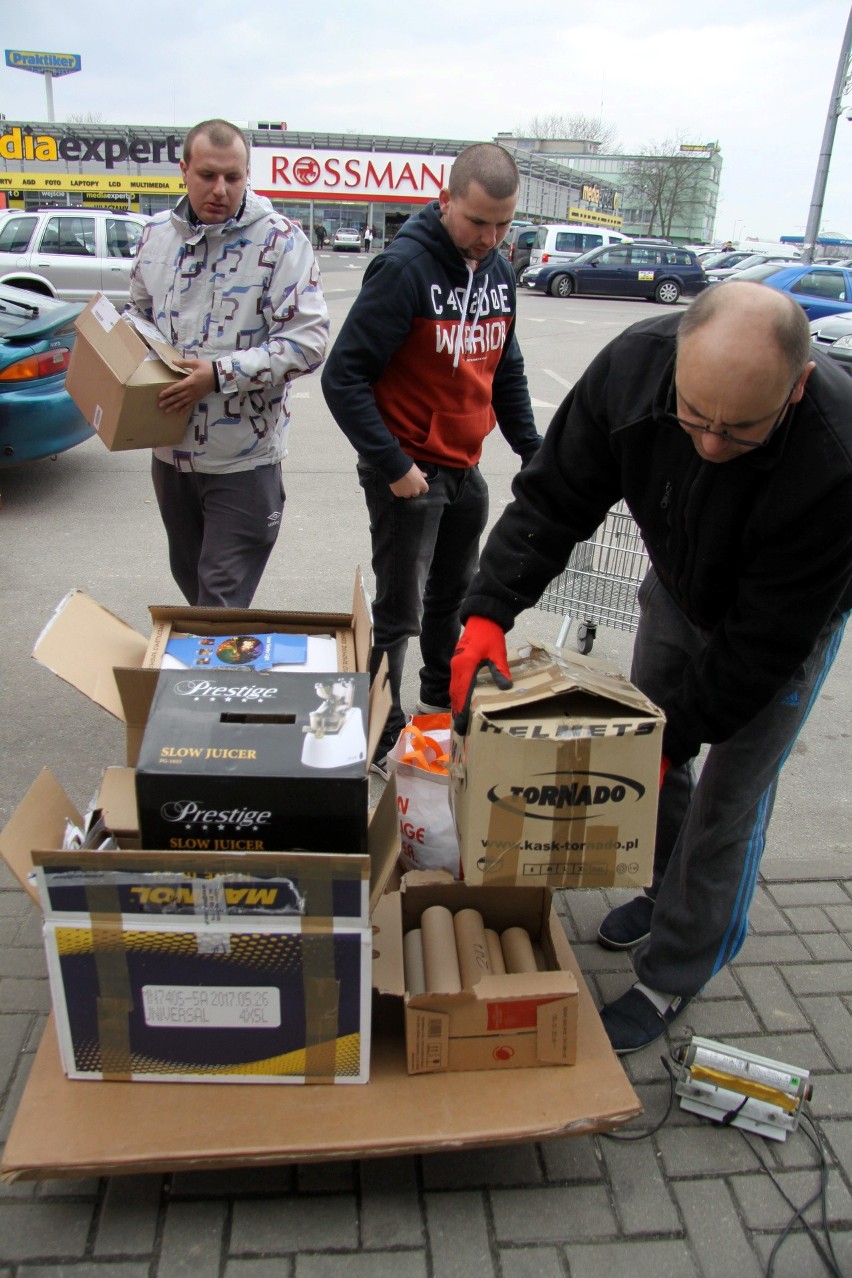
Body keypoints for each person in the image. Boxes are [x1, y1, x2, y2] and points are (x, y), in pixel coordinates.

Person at [450, 280, 852, 1055]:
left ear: (796, 387)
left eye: (739, 431)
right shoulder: (634, 369)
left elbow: (762, 646)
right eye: (694, 417)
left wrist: (682, 735)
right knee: (650, 761)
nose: (708, 443)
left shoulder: (835, 457)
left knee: (726, 803)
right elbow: (554, 497)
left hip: (784, 622)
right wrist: (487, 610)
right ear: (676, 362)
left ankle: (676, 969)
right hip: (677, 586)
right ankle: (660, 890)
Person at [321, 143, 542, 777]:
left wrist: (533, 450)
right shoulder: (404, 269)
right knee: (399, 611)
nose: (491, 237)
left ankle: (440, 706)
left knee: (455, 598)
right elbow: (343, 379)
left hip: (464, 468)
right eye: (478, 222)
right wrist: (393, 466)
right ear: (445, 201)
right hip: (409, 472)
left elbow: (507, 368)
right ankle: (383, 736)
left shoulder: (498, 270)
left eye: (504, 224)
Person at [126, 118, 330, 607]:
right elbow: (137, 315)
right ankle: (218, 675)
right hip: (169, 452)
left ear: (247, 175)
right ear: (184, 170)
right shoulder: (155, 236)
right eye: (208, 175)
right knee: (194, 584)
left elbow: (309, 342)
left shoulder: (281, 242)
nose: (221, 189)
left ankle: (210, 675)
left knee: (220, 600)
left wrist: (218, 376)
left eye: (233, 178)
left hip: (245, 458)